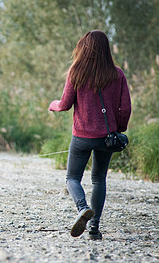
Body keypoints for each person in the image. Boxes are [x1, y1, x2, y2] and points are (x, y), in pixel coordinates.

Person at [49, 30, 131, 240]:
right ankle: (94, 229)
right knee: (99, 180)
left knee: (72, 178)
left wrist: (54, 105)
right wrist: (118, 129)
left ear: (84, 48)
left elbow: (65, 104)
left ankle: (82, 208)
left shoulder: (76, 72)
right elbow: (125, 108)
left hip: (82, 137)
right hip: (106, 137)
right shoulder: (117, 74)